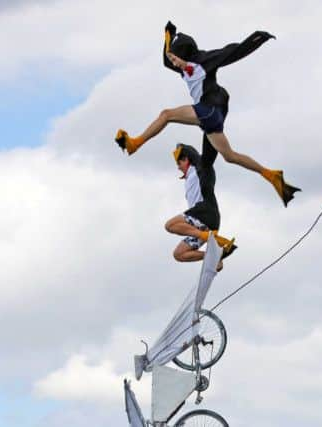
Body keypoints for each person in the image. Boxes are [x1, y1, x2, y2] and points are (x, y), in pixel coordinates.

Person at [116, 21, 301, 207]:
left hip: (209, 109)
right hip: (210, 117)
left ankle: (135, 144)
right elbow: (166, 59)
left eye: (175, 59)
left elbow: (232, 52)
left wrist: (258, 38)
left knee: (166, 115)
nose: (174, 64)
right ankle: (271, 176)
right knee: (227, 157)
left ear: (185, 55)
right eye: (172, 59)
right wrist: (168, 35)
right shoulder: (179, 64)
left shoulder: (204, 60)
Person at [165, 140, 237, 272]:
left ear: (186, 159)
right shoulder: (188, 178)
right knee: (179, 254)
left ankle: (209, 237)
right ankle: (214, 258)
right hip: (200, 223)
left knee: (170, 225)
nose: (178, 167)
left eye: (179, 163)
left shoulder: (199, 168)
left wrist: (209, 129)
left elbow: (199, 157)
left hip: (206, 213)